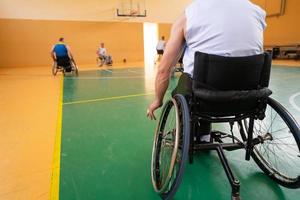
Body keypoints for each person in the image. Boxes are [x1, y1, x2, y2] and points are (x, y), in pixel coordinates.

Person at [147, 0, 266, 142]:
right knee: (202, 84)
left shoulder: (189, 14)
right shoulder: (257, 11)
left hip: (205, 97)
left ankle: (191, 133)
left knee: (188, 84)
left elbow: (164, 70)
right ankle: (204, 134)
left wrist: (158, 100)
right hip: (249, 96)